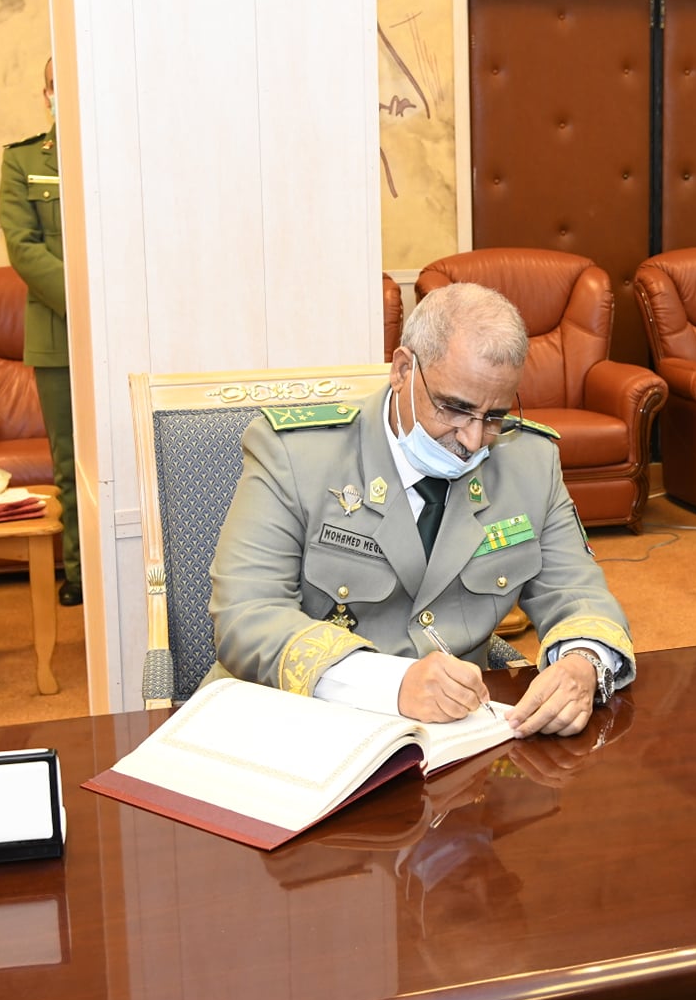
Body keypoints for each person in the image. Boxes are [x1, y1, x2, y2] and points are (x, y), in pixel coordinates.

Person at [208, 283, 635, 737]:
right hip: (292, 723)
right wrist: (390, 684)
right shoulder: (295, 454)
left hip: (453, 738)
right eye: (454, 409)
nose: (473, 440)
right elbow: (247, 615)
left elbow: (578, 594)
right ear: (403, 370)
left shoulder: (530, 461)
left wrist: (583, 662)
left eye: (494, 416)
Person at [0, 58, 80, 607]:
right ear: (46, 92)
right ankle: (79, 573)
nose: (62, 94)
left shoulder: (117, 153)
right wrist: (88, 305)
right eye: (56, 85)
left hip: (129, 333)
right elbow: (23, 247)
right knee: (71, 462)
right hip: (60, 333)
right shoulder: (24, 160)